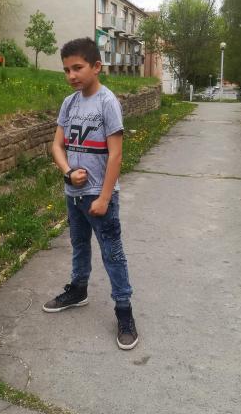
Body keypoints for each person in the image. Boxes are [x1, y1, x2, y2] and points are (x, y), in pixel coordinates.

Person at [43, 37, 138, 350]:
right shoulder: (69, 104)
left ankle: (124, 311)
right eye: (66, 70)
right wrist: (68, 172)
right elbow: (57, 146)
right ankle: (78, 289)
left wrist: (105, 198)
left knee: (113, 253)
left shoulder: (107, 102)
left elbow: (116, 155)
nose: (71, 75)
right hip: (73, 194)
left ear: (96, 66)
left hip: (99, 196)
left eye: (78, 68)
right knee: (79, 244)